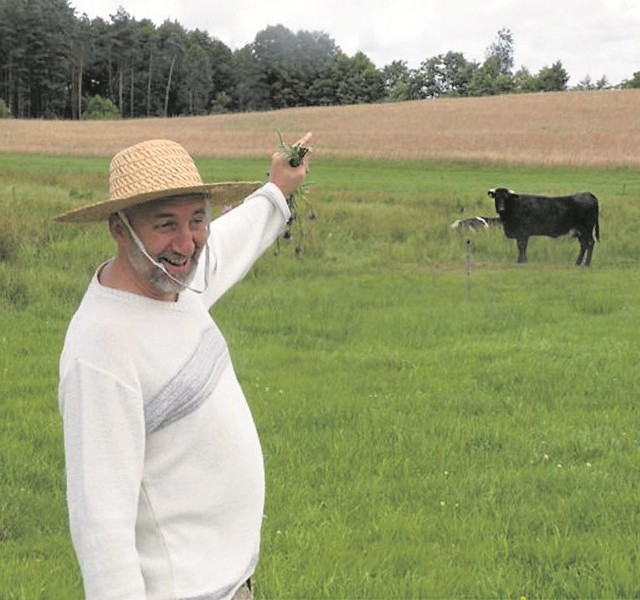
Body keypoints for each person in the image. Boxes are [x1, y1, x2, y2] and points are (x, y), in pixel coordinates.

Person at [56, 134, 312, 600]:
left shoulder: (176, 284)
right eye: (165, 224)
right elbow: (101, 529)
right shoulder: (101, 349)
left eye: (197, 220)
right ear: (120, 229)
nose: (187, 242)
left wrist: (277, 189)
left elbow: (228, 245)